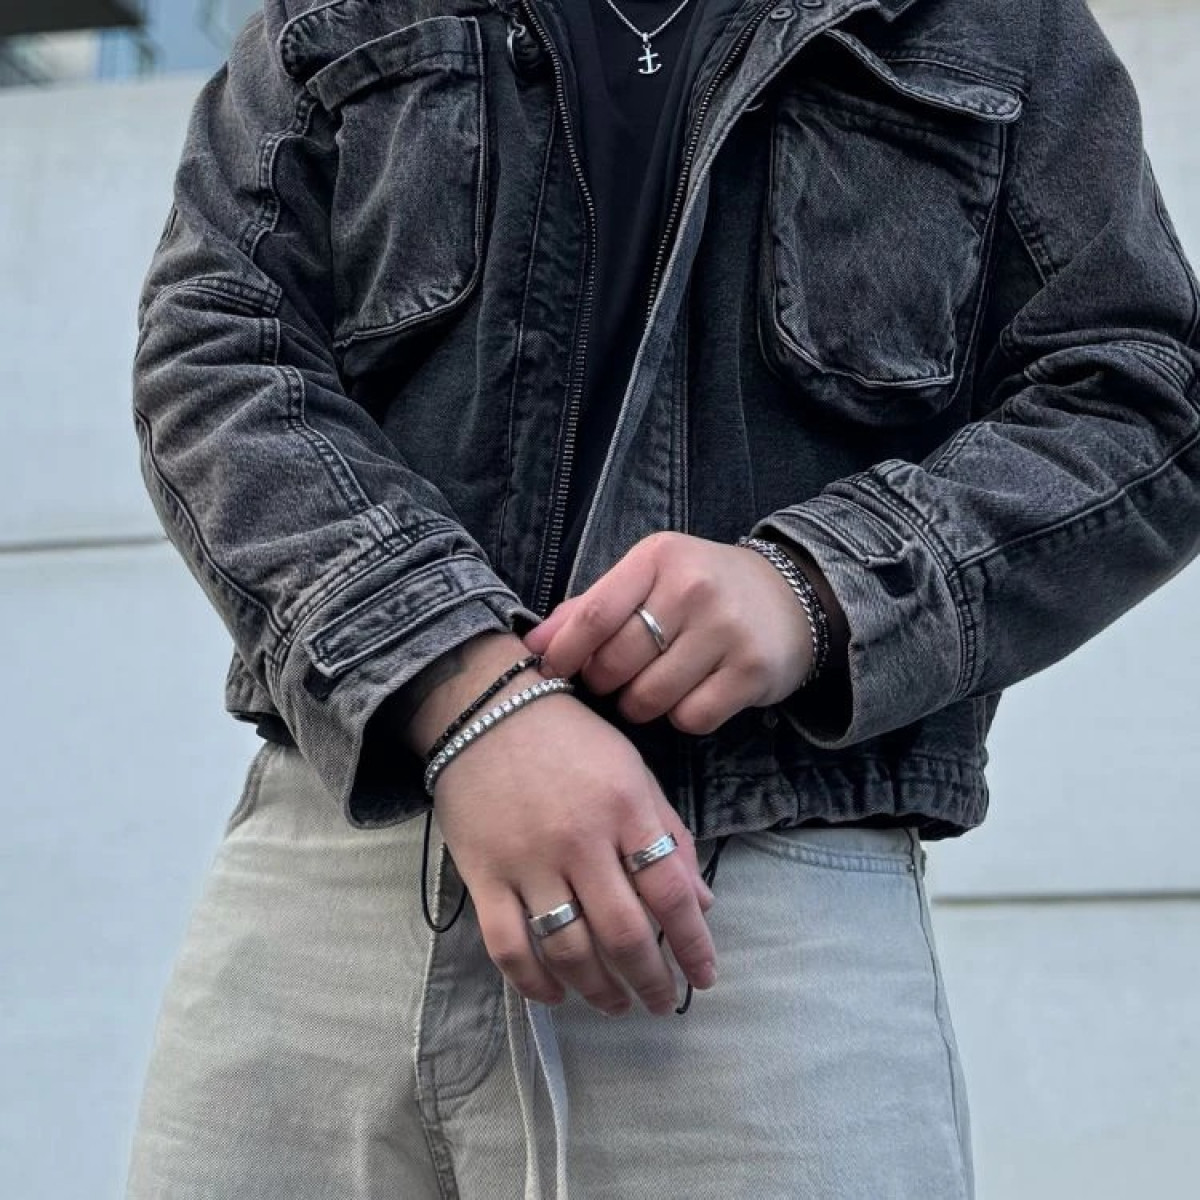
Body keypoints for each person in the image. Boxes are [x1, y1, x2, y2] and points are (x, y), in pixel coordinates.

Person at [124, 0, 1200, 1196]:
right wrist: (460, 689)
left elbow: (1144, 397)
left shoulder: (986, 20)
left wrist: (819, 586)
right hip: (330, 890)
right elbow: (216, 347)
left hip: (749, 910)